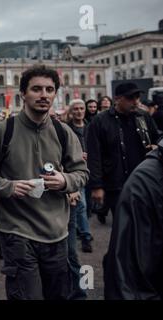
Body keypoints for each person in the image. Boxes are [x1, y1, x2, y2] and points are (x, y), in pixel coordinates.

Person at [0, 65, 89, 300]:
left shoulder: (63, 131)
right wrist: (9, 186)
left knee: (57, 295)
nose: (43, 94)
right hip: (17, 234)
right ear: (23, 94)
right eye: (36, 89)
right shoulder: (2, 131)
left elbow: (82, 172)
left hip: (57, 234)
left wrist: (65, 180)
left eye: (49, 89)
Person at [87, 83, 160, 223]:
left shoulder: (143, 116)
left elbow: (158, 137)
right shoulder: (100, 121)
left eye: (137, 97)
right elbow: (94, 155)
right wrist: (96, 186)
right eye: (130, 98)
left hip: (144, 181)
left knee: (147, 224)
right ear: (117, 99)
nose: (136, 101)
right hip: (116, 184)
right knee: (124, 226)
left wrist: (157, 145)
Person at [103, 138, 163, 299]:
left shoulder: (140, 120)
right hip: (116, 184)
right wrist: (97, 184)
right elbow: (128, 280)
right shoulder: (146, 182)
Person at [67, 99, 93, 253]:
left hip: (92, 170)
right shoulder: (67, 129)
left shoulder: (91, 127)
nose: (79, 111)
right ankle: (86, 236)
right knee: (81, 204)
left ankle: (80, 229)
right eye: (75, 108)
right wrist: (77, 155)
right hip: (76, 172)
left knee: (86, 205)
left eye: (81, 108)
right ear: (71, 111)